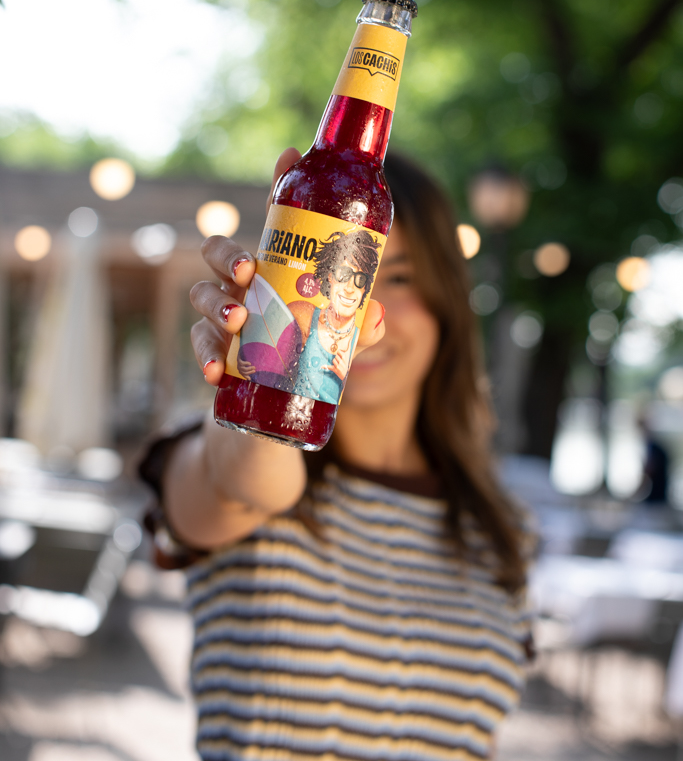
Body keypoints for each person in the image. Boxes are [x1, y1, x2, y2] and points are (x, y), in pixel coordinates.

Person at [140, 148, 532, 761]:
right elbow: (249, 480)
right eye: (341, 270)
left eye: (396, 278)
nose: (358, 305)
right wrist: (267, 346)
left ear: (446, 302)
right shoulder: (247, 456)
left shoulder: (499, 526)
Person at [236, 228, 382, 403]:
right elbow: (266, 354)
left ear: (366, 287)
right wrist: (243, 360)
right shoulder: (303, 315)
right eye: (343, 275)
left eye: (360, 279)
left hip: (319, 417)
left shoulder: (357, 336)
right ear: (330, 277)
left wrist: (343, 376)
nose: (350, 288)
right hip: (274, 406)